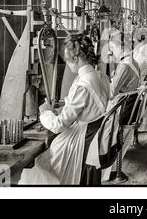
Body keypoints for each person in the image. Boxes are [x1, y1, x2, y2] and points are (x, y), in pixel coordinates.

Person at [19, 33, 110, 185]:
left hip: (80, 139)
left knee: (41, 165)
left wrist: (45, 113)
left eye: (68, 60)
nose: (67, 64)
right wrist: (60, 110)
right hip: (92, 133)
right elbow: (86, 107)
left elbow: (58, 126)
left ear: (75, 59)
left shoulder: (83, 85)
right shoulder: (101, 76)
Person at [109, 31, 141, 125]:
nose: (112, 51)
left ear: (120, 47)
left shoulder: (124, 65)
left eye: (113, 48)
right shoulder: (131, 60)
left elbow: (113, 91)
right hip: (132, 103)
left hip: (126, 108)